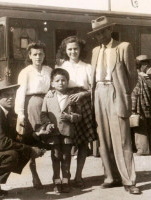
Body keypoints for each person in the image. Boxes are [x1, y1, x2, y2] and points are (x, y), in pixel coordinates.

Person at [88, 16, 141, 194]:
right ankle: (111, 177)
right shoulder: (95, 51)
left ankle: (129, 180)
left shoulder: (123, 47)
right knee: (103, 138)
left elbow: (133, 76)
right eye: (96, 33)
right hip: (98, 94)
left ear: (110, 30)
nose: (100, 36)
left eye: (102, 31)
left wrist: (123, 94)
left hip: (115, 93)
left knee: (123, 139)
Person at [55, 36, 96, 187]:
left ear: (80, 50)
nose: (73, 52)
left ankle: (78, 176)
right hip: (66, 103)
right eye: (70, 49)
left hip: (83, 104)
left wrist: (83, 94)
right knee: (66, 142)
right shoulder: (61, 67)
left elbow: (94, 88)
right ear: (65, 51)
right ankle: (66, 175)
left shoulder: (87, 67)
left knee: (83, 143)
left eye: (76, 49)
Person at [15, 41, 52, 189]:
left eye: (41, 54)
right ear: (29, 56)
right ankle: (35, 176)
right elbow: (20, 93)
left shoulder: (49, 70)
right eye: (35, 54)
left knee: (53, 137)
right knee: (34, 139)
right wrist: (20, 113)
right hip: (33, 104)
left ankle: (60, 176)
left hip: (48, 102)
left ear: (44, 55)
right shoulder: (26, 72)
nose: (38, 57)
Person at [40, 68, 82, 193]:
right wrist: (47, 124)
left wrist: (70, 117)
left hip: (67, 131)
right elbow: (43, 114)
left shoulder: (73, 98)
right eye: (57, 80)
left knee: (66, 156)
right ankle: (56, 180)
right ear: (52, 83)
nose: (61, 83)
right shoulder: (48, 97)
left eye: (63, 80)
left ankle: (65, 180)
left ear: (67, 82)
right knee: (56, 155)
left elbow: (79, 116)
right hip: (54, 132)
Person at [131, 55, 151, 155]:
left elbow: (135, 93)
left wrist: (132, 108)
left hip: (138, 107)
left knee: (140, 128)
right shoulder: (142, 77)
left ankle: (143, 150)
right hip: (144, 106)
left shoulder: (136, 77)